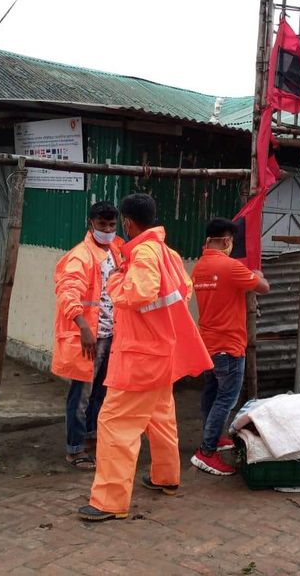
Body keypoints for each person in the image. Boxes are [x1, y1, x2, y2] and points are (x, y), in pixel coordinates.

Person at [78, 193, 213, 522]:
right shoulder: (167, 252)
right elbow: (184, 287)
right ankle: (166, 478)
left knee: (114, 424)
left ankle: (109, 502)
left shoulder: (141, 253)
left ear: (127, 222)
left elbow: (139, 293)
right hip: (161, 354)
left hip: (140, 359)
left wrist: (114, 280)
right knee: (161, 418)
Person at [190, 218, 270, 476]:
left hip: (207, 344)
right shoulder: (230, 266)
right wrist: (257, 274)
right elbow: (263, 287)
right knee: (226, 399)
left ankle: (211, 436)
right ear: (226, 241)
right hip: (229, 345)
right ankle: (206, 450)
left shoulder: (200, 267)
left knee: (211, 394)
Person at [51, 201, 122, 470]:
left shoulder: (116, 250)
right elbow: (67, 292)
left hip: (111, 333)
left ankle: (91, 437)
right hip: (90, 336)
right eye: (102, 225)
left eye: (112, 225)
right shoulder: (80, 256)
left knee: (100, 392)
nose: (107, 229)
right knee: (81, 393)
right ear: (91, 224)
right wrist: (83, 328)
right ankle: (75, 449)